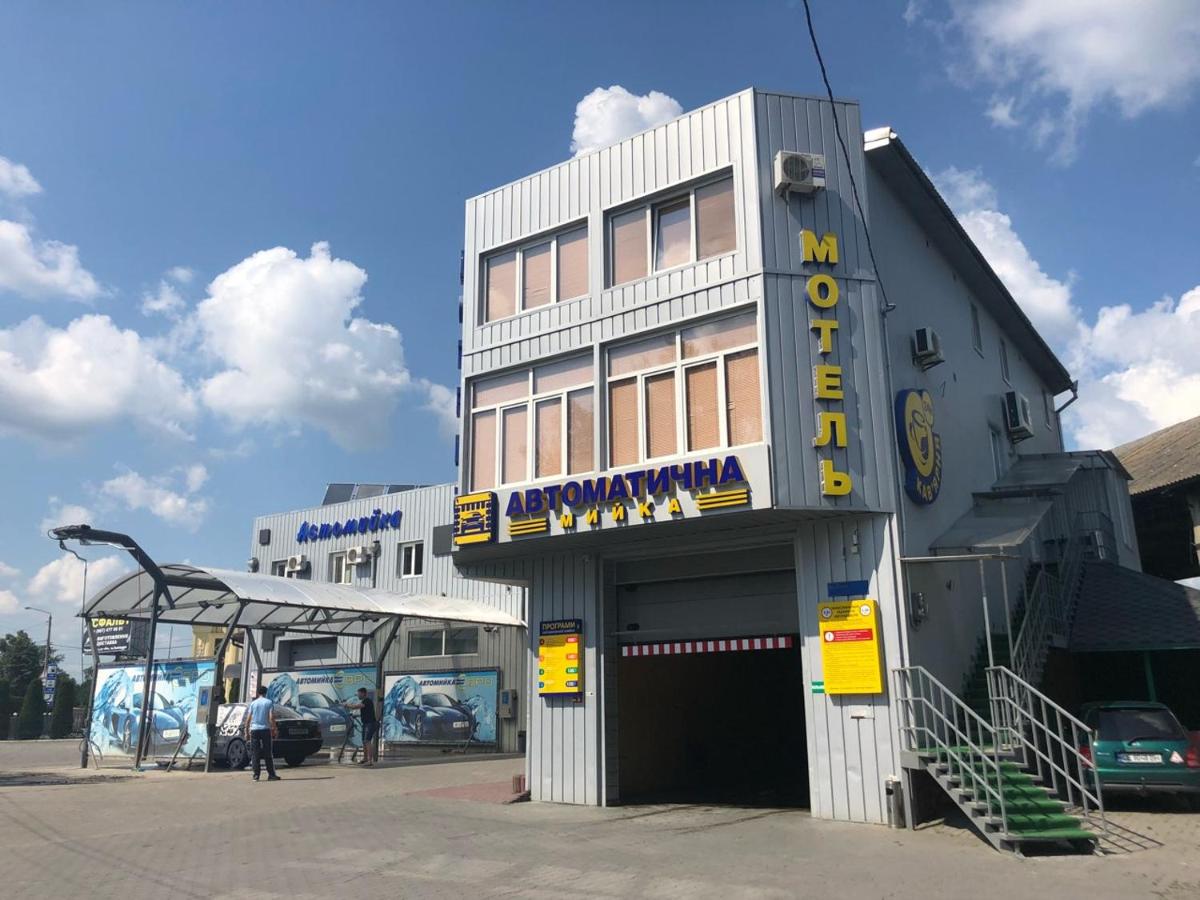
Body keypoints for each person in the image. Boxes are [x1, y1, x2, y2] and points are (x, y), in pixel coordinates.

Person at [245, 684, 281, 782]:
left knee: (255, 753)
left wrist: (246, 731)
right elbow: (271, 717)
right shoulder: (268, 702)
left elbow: (248, 719)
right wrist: (275, 729)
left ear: (258, 693)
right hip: (265, 729)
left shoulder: (253, 703)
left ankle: (256, 775)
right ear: (266, 693)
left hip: (254, 730)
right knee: (267, 752)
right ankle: (271, 775)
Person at [346, 687, 378, 767]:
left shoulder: (367, 701)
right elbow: (366, 712)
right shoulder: (364, 702)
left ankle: (370, 761)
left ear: (363, 693)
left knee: (367, 741)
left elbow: (355, 707)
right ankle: (365, 758)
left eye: (359, 694)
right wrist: (356, 715)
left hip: (370, 724)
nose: (358, 695)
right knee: (364, 741)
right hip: (366, 724)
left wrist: (346, 705)